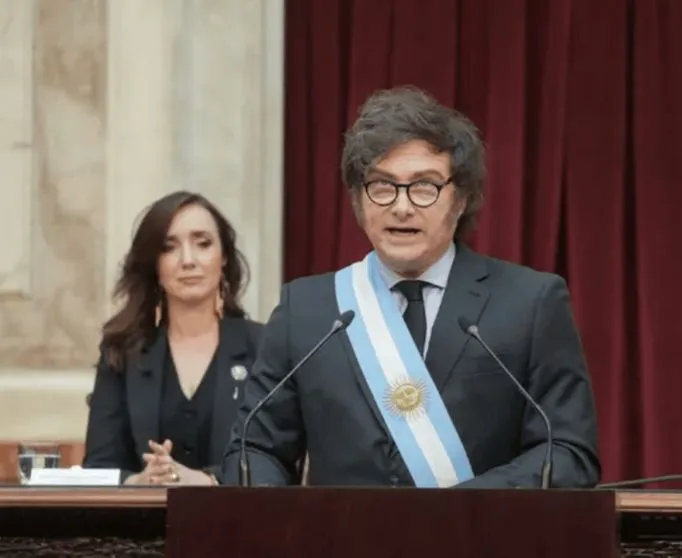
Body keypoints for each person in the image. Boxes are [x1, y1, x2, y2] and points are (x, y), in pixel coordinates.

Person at [223, 86, 600, 488]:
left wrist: (460, 511)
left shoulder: (530, 303)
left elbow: (568, 452)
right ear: (358, 200)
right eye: (382, 186)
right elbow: (254, 449)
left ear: (460, 199)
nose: (401, 207)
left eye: (424, 187)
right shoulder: (307, 310)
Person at [84, 191, 263, 486]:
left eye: (203, 244)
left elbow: (279, 463)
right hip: (145, 515)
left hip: (237, 515)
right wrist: (140, 482)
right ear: (154, 265)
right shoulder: (124, 351)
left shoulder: (263, 347)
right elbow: (98, 468)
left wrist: (208, 481)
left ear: (224, 257)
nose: (188, 260)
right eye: (169, 247)